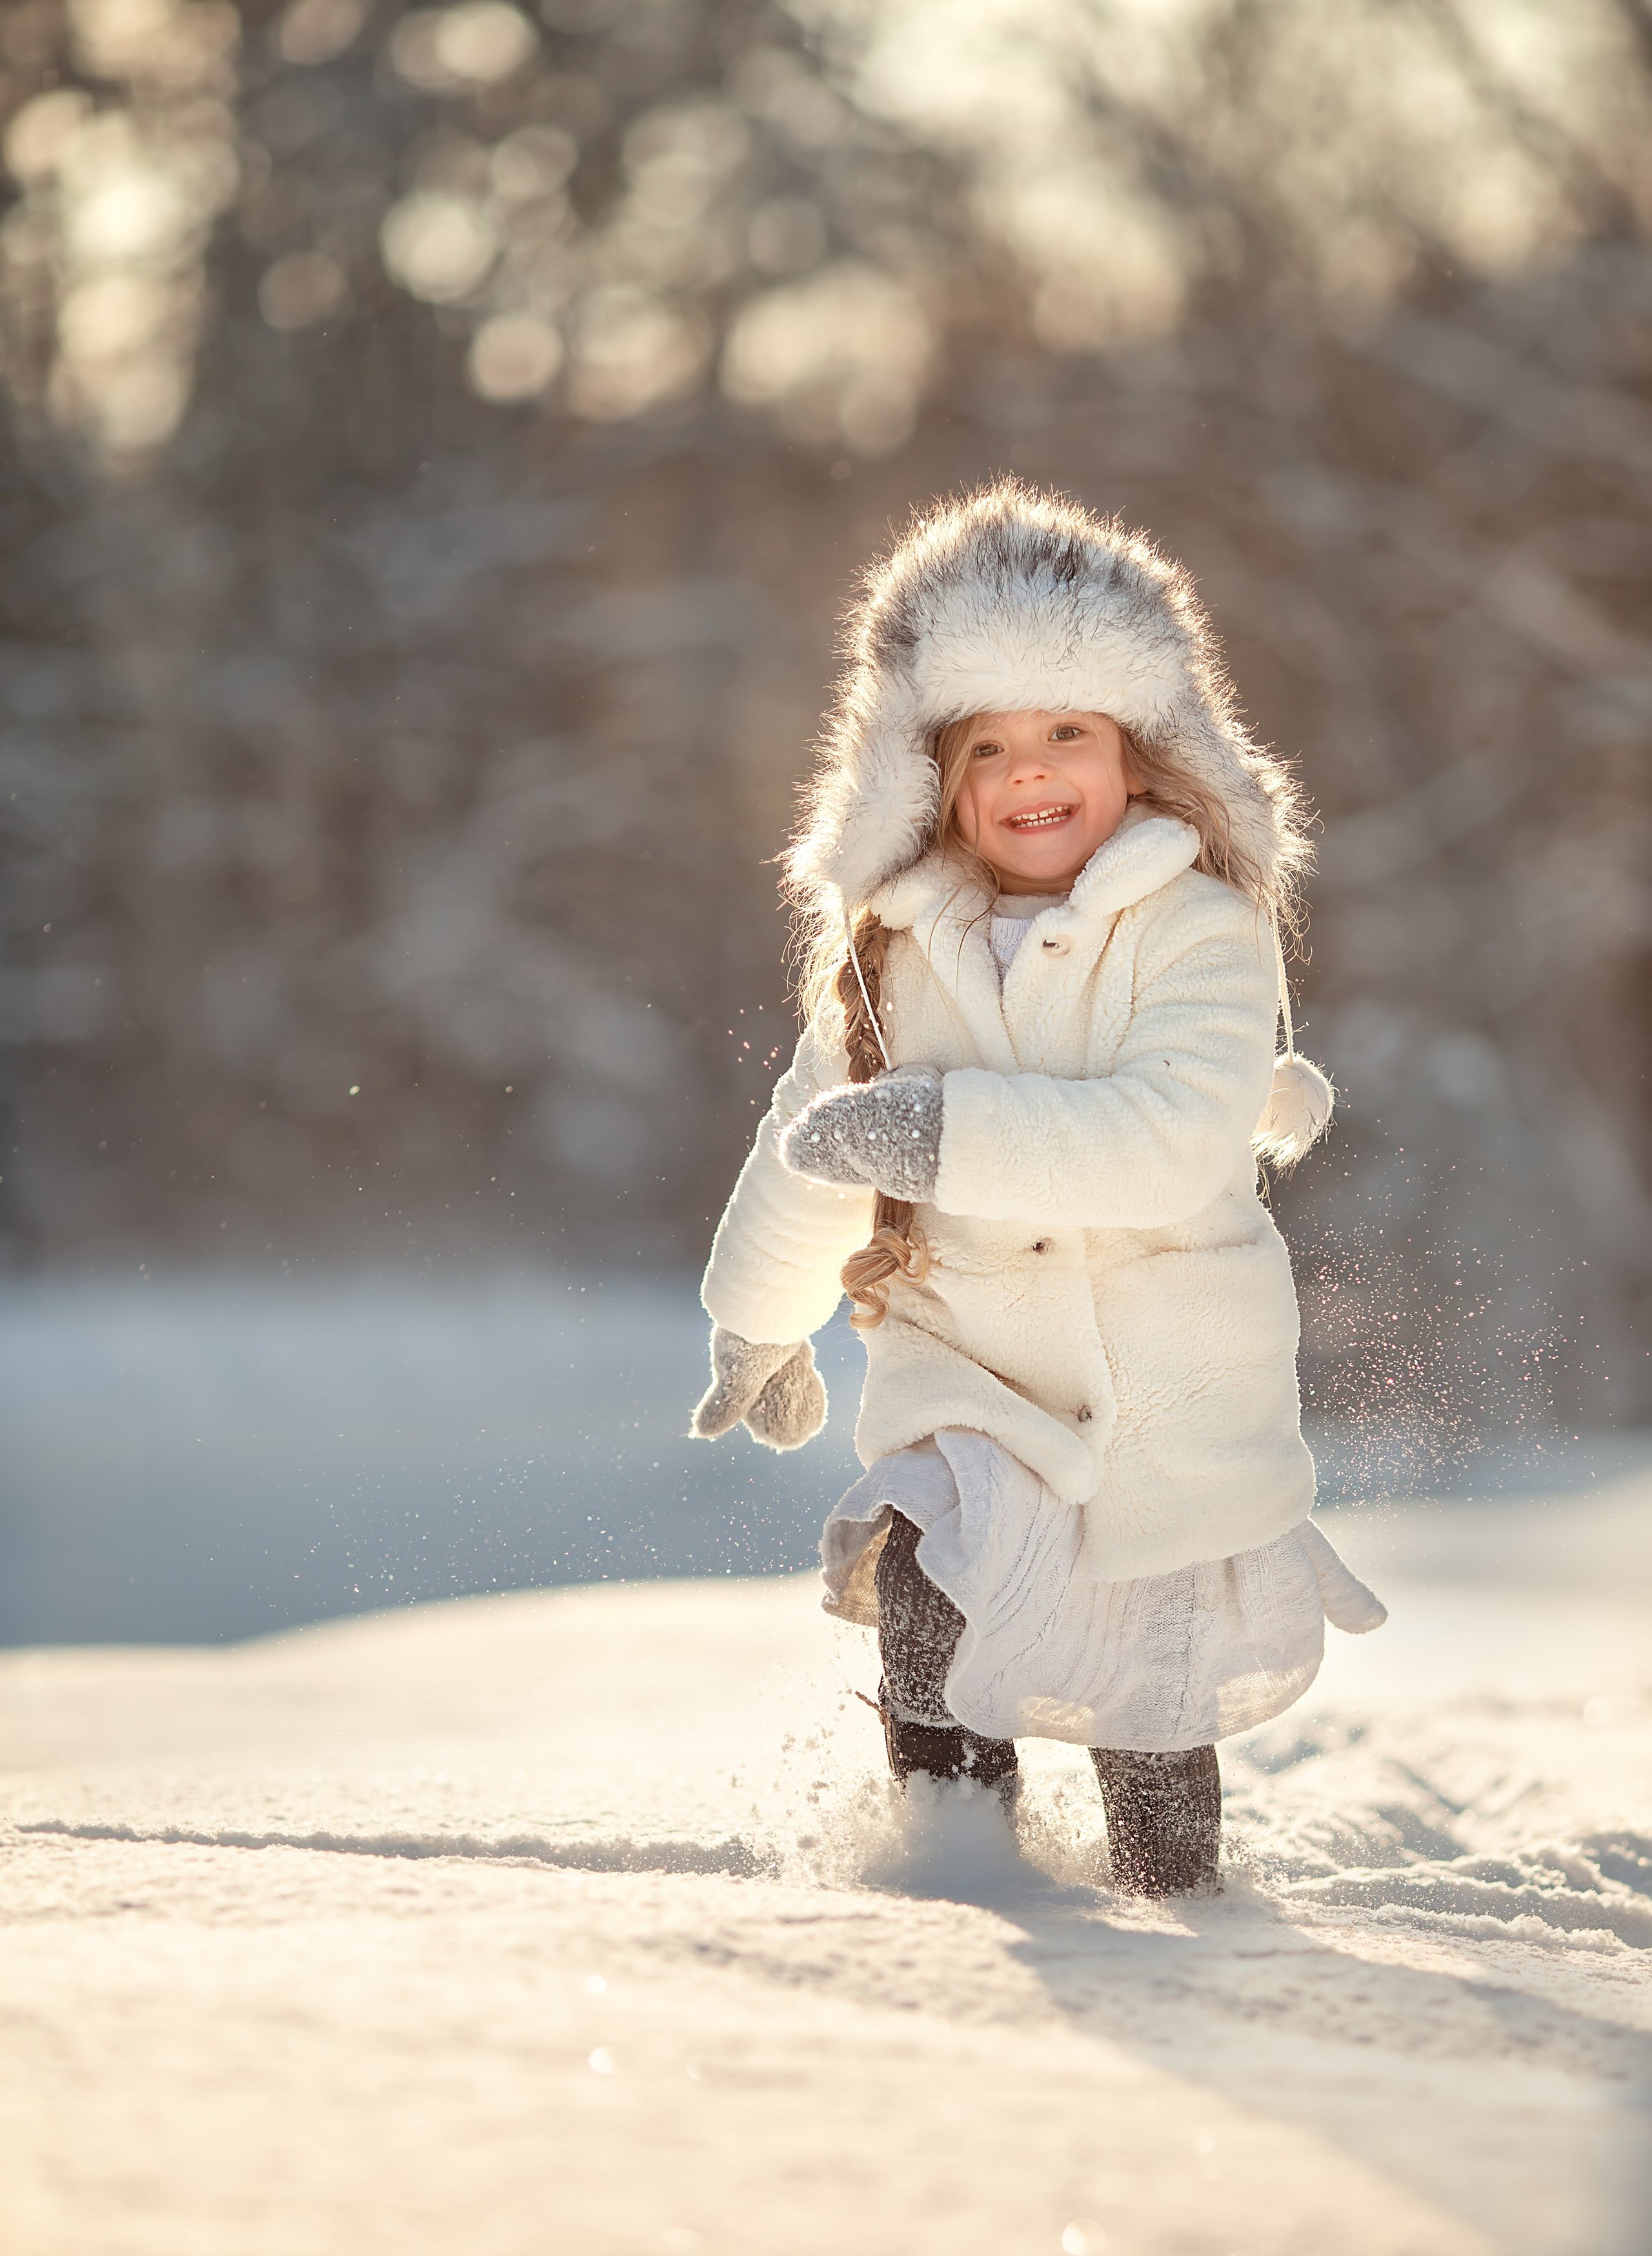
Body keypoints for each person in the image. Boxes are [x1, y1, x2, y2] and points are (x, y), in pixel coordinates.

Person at [689, 482, 1385, 1896]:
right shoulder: (897, 943)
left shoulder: (1197, 925)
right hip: (967, 1363)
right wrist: (759, 1313)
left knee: (1144, 1698)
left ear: (1138, 746)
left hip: (1163, 1389)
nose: (1030, 768)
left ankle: (1176, 1896)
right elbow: (814, 1135)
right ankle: (958, 1870)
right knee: (931, 1613)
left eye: (1068, 729)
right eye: (987, 742)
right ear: (923, 773)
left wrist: (937, 1134)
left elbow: (1168, 1142)